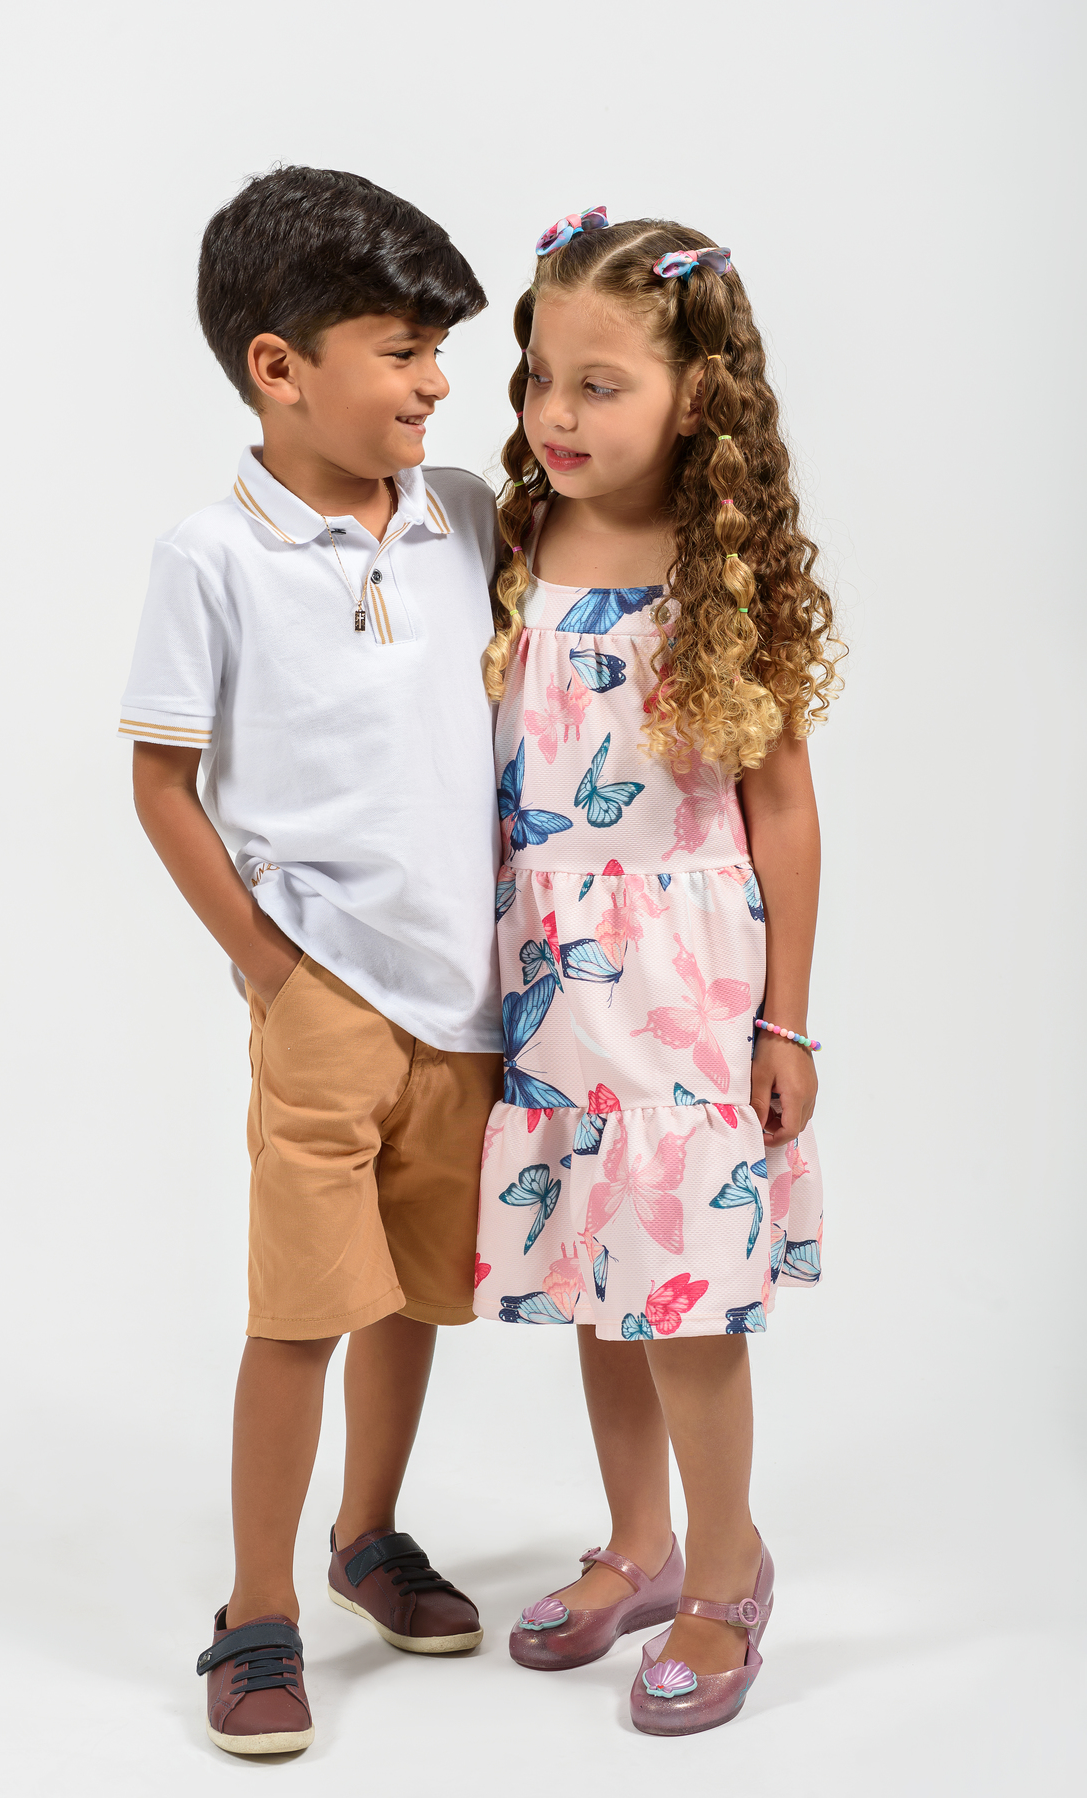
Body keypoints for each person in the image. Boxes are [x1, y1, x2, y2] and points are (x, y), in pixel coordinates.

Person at [119, 166, 504, 1755]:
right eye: (403, 350)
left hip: (468, 997)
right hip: (327, 995)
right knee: (299, 1307)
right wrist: (275, 971)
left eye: (440, 351)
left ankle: (368, 1534)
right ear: (278, 367)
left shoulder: (464, 514)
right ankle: (256, 1607)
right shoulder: (212, 554)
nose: (437, 382)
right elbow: (161, 781)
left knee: (409, 1292)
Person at [474, 206, 843, 1736]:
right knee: (594, 1271)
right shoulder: (517, 547)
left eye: (600, 383)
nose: (556, 413)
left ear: (696, 397)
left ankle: (728, 1567)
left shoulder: (716, 570)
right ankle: (639, 1541)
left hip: (682, 988)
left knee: (684, 1300)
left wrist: (787, 1021)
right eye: (540, 379)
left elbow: (785, 811)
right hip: (549, 978)